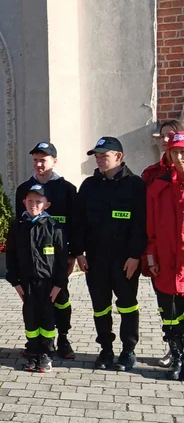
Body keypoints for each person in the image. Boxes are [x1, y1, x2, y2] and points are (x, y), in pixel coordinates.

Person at [74, 137, 147, 371]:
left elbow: (141, 224)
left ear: (119, 156)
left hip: (125, 260)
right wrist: (78, 252)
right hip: (95, 260)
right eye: (96, 155)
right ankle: (105, 349)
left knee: (127, 305)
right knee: (100, 306)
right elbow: (79, 222)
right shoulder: (89, 186)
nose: (98, 158)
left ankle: (128, 350)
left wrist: (135, 255)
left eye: (104, 155)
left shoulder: (135, 185)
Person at [15, 143, 79, 360]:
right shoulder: (23, 189)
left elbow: (75, 223)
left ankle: (62, 338)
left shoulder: (67, 189)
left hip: (58, 258)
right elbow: (19, 227)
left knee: (60, 298)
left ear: (54, 161)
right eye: (35, 160)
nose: (39, 164)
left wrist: (74, 254)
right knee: (35, 303)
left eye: (43, 160)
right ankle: (37, 342)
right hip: (33, 262)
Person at [6, 184, 67, 373]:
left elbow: (61, 259)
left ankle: (46, 354)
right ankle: (32, 352)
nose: (34, 205)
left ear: (46, 205)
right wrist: (15, 282)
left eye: (38, 201)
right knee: (31, 319)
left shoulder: (54, 228)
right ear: (24, 202)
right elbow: (11, 257)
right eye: (30, 201)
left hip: (48, 284)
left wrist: (59, 284)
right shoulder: (18, 227)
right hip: (27, 284)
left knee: (48, 320)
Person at [145, 131, 184, 380]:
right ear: (168, 154)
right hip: (164, 263)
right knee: (169, 313)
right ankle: (177, 355)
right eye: (175, 152)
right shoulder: (157, 186)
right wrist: (150, 260)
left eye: (183, 152)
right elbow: (149, 230)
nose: (180, 157)